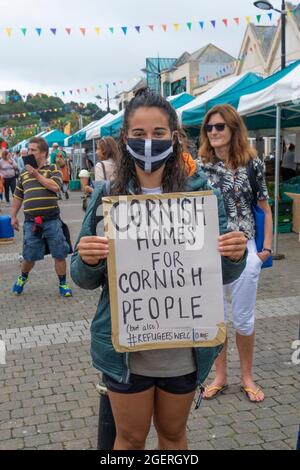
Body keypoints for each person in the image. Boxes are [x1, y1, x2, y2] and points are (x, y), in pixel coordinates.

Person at [70, 89, 247, 450]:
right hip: (126, 350)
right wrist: (87, 259)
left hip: (182, 348)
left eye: (158, 133)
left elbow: (224, 276)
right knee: (130, 439)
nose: (149, 142)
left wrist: (234, 254)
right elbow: (81, 277)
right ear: (125, 138)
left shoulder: (203, 198)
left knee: (172, 435)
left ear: (173, 136)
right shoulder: (107, 195)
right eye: (139, 135)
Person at [199, 104, 273, 403]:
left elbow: (265, 208)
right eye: (209, 127)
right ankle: (220, 376)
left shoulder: (251, 164)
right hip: (210, 252)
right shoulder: (199, 166)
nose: (213, 132)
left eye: (220, 126)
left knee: (243, 318)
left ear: (233, 129)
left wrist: (266, 249)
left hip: (245, 251)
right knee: (217, 318)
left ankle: (246, 376)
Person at [11, 137, 73, 298]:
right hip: (32, 222)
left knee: (59, 253)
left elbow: (55, 187)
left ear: (43, 153)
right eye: (28, 150)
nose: (28, 153)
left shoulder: (53, 168)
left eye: (33, 150)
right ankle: (22, 277)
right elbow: (18, 196)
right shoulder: (24, 173)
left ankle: (63, 284)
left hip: (52, 221)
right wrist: (13, 216)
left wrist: (37, 175)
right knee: (29, 256)